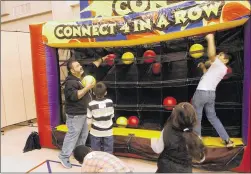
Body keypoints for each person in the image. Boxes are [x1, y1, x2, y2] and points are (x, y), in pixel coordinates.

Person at [58, 55, 109, 169]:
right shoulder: (70, 82)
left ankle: (78, 154)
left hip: (84, 113)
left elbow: (93, 65)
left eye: (79, 64)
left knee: (83, 136)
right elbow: (75, 96)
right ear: (72, 70)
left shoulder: (81, 78)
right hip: (75, 115)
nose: (80, 66)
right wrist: (88, 87)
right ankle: (63, 156)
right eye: (77, 66)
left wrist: (103, 58)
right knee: (73, 136)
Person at [192, 33, 234, 147]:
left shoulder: (219, 64)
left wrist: (210, 39)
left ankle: (197, 141)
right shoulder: (221, 68)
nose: (217, 56)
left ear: (224, 60)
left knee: (197, 117)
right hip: (210, 94)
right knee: (212, 117)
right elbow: (207, 74)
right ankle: (227, 140)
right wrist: (203, 67)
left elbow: (211, 55)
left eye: (219, 55)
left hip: (201, 93)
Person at [151, 102, 205, 173]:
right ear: (193, 117)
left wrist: (153, 140)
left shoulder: (167, 130)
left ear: (174, 116)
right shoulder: (195, 136)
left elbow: (157, 149)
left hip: (165, 169)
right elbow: (201, 159)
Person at [87, 82, 114, 154]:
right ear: (105, 92)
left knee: (95, 152)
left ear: (93, 93)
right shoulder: (110, 102)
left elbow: (89, 120)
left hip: (95, 131)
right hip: (108, 131)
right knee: (108, 152)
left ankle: (96, 163)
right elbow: (112, 115)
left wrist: (90, 130)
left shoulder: (91, 104)